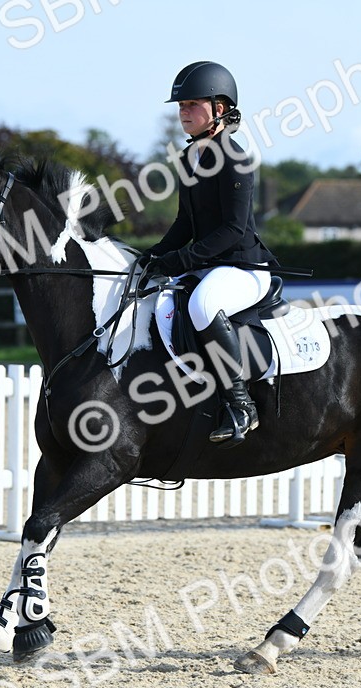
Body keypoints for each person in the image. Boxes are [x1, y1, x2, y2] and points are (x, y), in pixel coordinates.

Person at [141, 61, 277, 447]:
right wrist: (153, 255)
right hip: (209, 266)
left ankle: (239, 404)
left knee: (202, 304)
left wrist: (184, 260)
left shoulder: (235, 158)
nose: (183, 112)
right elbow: (185, 223)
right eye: (180, 106)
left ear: (220, 108)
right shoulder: (188, 159)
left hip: (243, 267)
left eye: (192, 105)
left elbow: (233, 229)